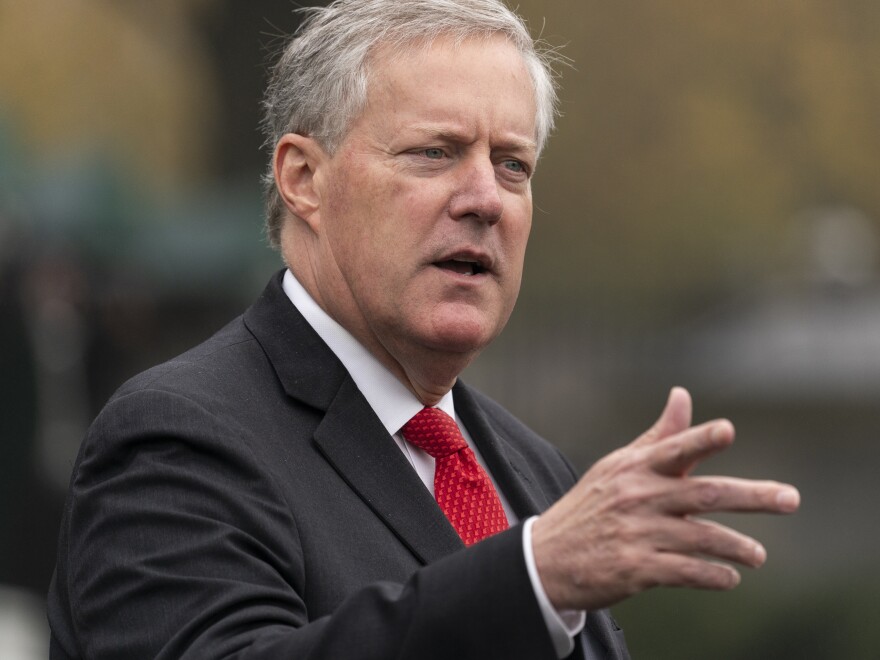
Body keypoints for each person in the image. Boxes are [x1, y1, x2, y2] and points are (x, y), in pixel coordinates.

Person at [47, 1, 800, 658]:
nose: (485, 199)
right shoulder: (177, 438)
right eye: (434, 153)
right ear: (304, 179)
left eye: (513, 165)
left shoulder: (536, 471)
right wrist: (532, 579)